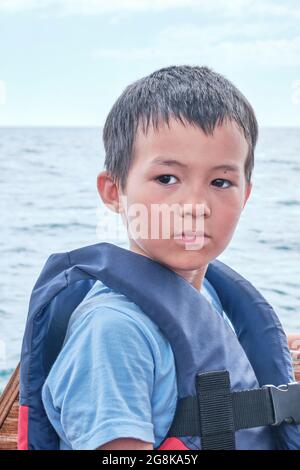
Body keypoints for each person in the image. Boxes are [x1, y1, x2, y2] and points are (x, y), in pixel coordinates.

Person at [41, 65, 260, 450]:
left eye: (220, 182)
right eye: (167, 179)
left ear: (244, 194)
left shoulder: (201, 294)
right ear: (113, 191)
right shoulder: (112, 333)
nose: (195, 206)